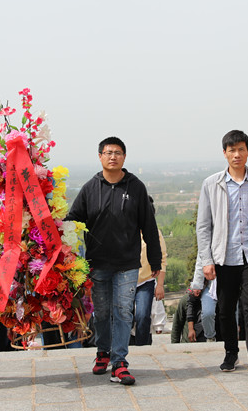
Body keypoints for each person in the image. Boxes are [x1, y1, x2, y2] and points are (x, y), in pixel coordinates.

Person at [66, 136, 161, 386]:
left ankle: (119, 362)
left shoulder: (136, 187)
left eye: (117, 153)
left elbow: (149, 226)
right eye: (108, 153)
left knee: (123, 312)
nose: (112, 157)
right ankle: (103, 352)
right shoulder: (90, 188)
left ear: (124, 157)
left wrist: (155, 260)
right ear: (100, 157)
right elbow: (72, 220)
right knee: (101, 312)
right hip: (98, 264)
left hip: (127, 264)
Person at [195, 130, 248, 381]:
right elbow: (203, 226)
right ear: (225, 153)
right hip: (224, 257)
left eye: (241, 149)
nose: (237, 154)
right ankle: (231, 352)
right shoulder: (212, 184)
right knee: (226, 309)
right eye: (232, 150)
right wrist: (206, 260)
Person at [133, 197, 168, 346]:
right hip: (125, 281)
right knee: (124, 317)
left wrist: (159, 285)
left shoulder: (155, 233)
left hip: (145, 282)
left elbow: (162, 259)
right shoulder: (126, 231)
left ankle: (142, 348)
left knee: (142, 316)